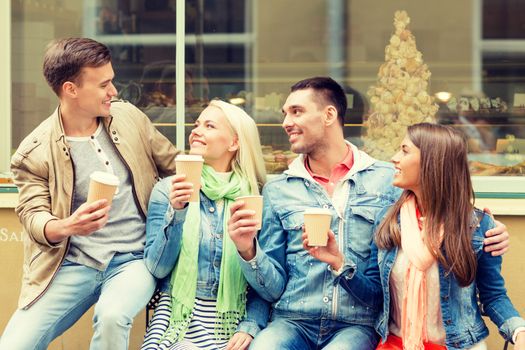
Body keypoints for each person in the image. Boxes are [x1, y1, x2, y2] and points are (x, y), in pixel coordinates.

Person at [227, 77, 510, 350]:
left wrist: (490, 232)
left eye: (296, 111)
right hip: (293, 319)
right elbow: (271, 288)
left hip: (358, 322)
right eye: (285, 113)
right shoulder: (279, 189)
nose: (286, 122)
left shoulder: (388, 180)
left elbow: (441, 201)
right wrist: (248, 251)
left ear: (329, 115)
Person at [0, 38, 179, 350]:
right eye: (104, 84)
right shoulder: (33, 152)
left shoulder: (129, 118)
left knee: (111, 317)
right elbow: (32, 216)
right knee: (15, 345)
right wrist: (68, 226)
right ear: (71, 89)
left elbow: (174, 164)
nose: (114, 91)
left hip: (133, 258)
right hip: (72, 264)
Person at [304, 122, 525, 350]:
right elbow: (373, 297)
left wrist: (519, 331)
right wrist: (338, 262)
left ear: (432, 161)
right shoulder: (388, 221)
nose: (394, 158)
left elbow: (494, 296)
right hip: (396, 345)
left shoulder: (477, 226)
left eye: (405, 150)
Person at [141, 100, 268, 350]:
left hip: (233, 321)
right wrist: (177, 212)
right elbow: (157, 268)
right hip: (177, 318)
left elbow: (267, 283)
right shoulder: (168, 190)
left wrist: (252, 324)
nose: (196, 130)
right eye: (197, 124)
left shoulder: (256, 197)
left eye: (209, 126)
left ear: (234, 142)